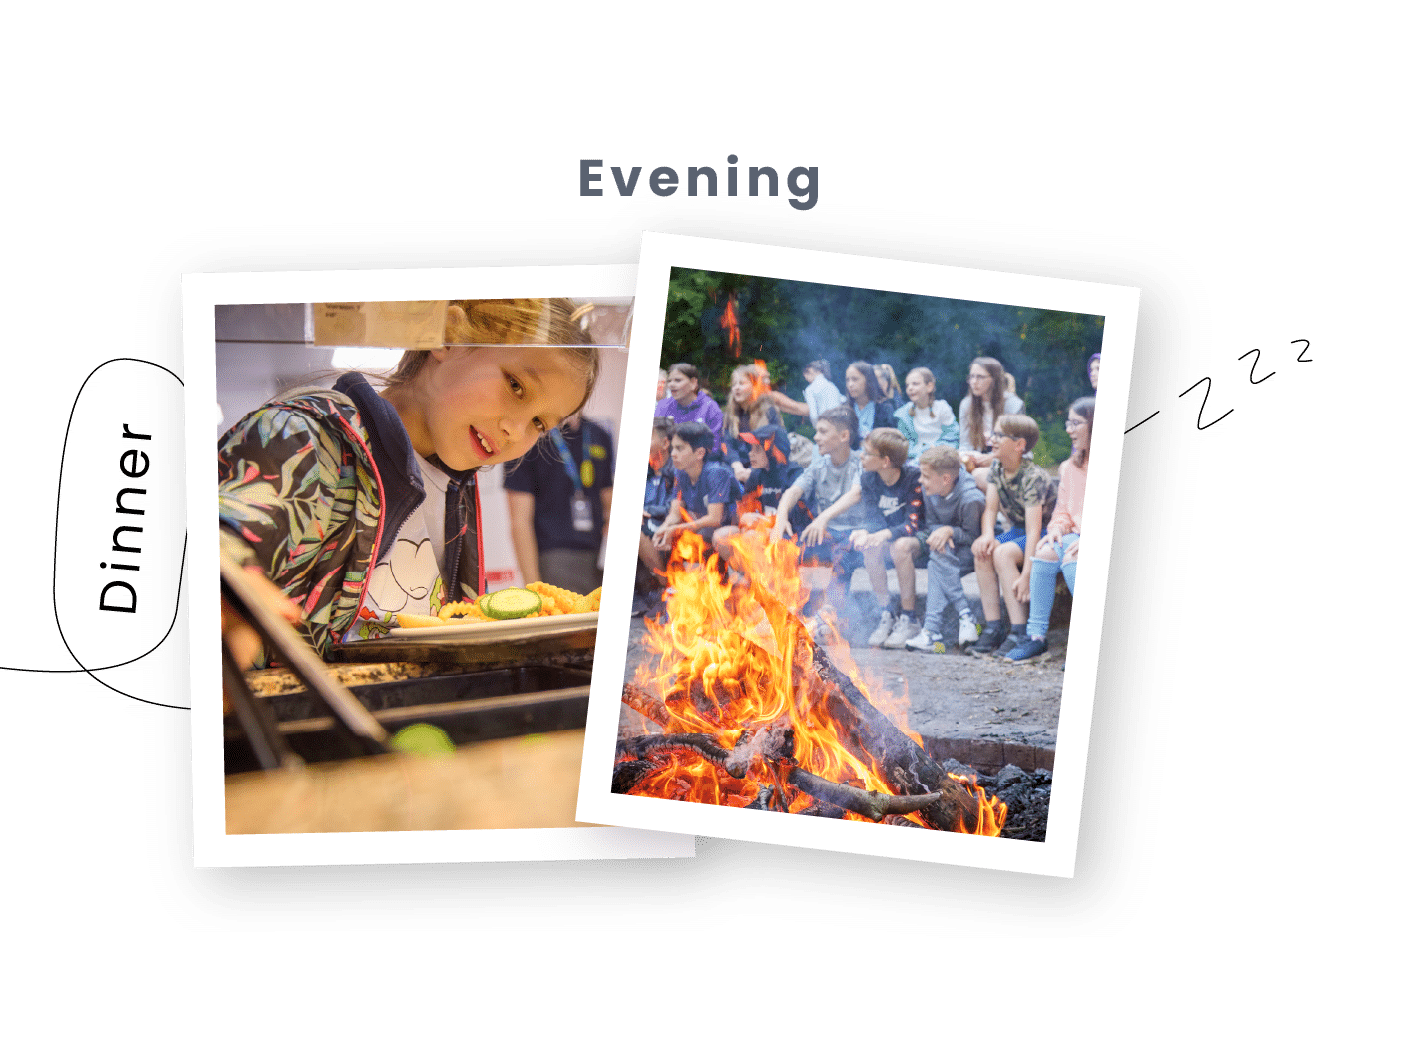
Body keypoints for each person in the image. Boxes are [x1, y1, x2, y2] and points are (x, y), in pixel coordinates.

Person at [218, 298, 597, 662]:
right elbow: (222, 539)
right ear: (449, 338)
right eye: (515, 385)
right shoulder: (301, 438)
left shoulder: (456, 487)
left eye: (539, 423)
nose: (515, 431)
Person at [806, 427, 924, 648]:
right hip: (887, 536)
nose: (861, 456)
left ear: (885, 461)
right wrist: (866, 532)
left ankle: (910, 618)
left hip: (916, 539)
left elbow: (913, 524)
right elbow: (873, 517)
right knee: (868, 546)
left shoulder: (912, 478)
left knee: (899, 546)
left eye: (867, 453)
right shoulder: (869, 478)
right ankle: (886, 613)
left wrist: (880, 534)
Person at [1005, 397, 1095, 662]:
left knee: (1072, 561)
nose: (1068, 429)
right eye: (1068, 422)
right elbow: (1063, 512)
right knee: (1044, 553)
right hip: (1074, 536)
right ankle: (1036, 637)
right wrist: (1055, 528)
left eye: (1075, 423)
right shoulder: (1070, 466)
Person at [967, 414, 1057, 658]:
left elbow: (1034, 530)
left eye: (999, 435)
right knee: (983, 552)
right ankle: (994, 626)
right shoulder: (997, 467)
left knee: (1004, 553)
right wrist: (987, 534)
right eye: (993, 433)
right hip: (1019, 531)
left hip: (1047, 532)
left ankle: (1019, 630)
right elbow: (990, 509)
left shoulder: (1032, 477)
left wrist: (1027, 574)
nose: (991, 439)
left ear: (1019, 445)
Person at [769, 406, 865, 618]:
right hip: (827, 534)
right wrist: (780, 518)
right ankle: (789, 609)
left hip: (856, 535)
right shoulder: (819, 465)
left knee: (841, 554)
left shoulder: (861, 462)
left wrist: (822, 519)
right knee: (786, 545)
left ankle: (830, 615)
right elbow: (793, 491)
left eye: (823, 431)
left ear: (844, 436)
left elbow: (856, 494)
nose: (816, 437)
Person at [505, 413, 613, 596]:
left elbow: (609, 501)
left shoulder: (598, 434)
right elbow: (520, 521)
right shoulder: (529, 437)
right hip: (555, 558)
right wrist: (534, 589)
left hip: (599, 557)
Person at [904, 446, 984, 654]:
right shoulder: (931, 491)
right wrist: (941, 532)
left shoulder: (970, 498)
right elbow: (931, 524)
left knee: (937, 561)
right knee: (938, 555)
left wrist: (949, 531)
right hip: (944, 550)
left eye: (926, 476)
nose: (921, 481)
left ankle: (932, 632)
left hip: (969, 551)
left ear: (946, 478)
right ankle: (964, 616)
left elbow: (973, 536)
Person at [650, 420, 740, 560]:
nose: (673, 454)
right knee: (680, 537)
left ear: (699, 453)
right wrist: (664, 528)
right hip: (707, 531)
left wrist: (676, 529)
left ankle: (738, 575)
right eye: (672, 448)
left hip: (735, 531)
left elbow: (714, 519)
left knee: (718, 537)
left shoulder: (716, 473)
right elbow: (674, 514)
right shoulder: (680, 473)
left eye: (679, 448)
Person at [712, 423, 799, 560]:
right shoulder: (757, 475)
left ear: (774, 451)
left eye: (757, 449)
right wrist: (745, 516)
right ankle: (747, 576)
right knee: (721, 536)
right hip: (762, 529)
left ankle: (764, 580)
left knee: (752, 537)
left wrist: (766, 522)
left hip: (789, 534)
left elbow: (797, 520)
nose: (750, 454)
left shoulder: (794, 475)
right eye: (751, 449)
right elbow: (743, 509)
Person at [958, 355, 1025, 471]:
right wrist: (967, 457)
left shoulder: (1013, 404)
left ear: (994, 379)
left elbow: (1017, 446)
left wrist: (995, 458)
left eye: (980, 377)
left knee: (978, 476)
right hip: (977, 460)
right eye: (971, 376)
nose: (974, 382)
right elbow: (965, 444)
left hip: (1006, 462)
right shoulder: (966, 404)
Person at [719, 363, 783, 482]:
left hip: (763, 470)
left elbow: (774, 449)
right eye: (734, 385)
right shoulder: (730, 416)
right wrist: (737, 467)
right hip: (737, 470)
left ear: (755, 386)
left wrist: (753, 472)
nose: (736, 388)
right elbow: (728, 445)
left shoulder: (769, 412)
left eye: (741, 383)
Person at [894, 366, 959, 464]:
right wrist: (924, 450)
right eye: (907, 385)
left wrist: (936, 450)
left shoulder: (942, 408)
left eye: (915, 384)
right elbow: (904, 444)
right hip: (915, 458)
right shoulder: (903, 414)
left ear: (929, 387)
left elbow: (952, 436)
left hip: (943, 456)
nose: (910, 388)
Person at [654, 363, 724, 452]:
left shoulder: (710, 408)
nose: (671, 384)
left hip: (701, 461)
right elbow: (655, 439)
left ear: (693, 383)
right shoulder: (662, 406)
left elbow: (714, 446)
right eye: (669, 381)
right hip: (669, 461)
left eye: (677, 380)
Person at [842, 360, 896, 442]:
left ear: (868, 380)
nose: (850, 384)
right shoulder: (844, 409)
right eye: (847, 380)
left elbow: (889, 441)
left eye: (855, 379)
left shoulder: (885, 408)